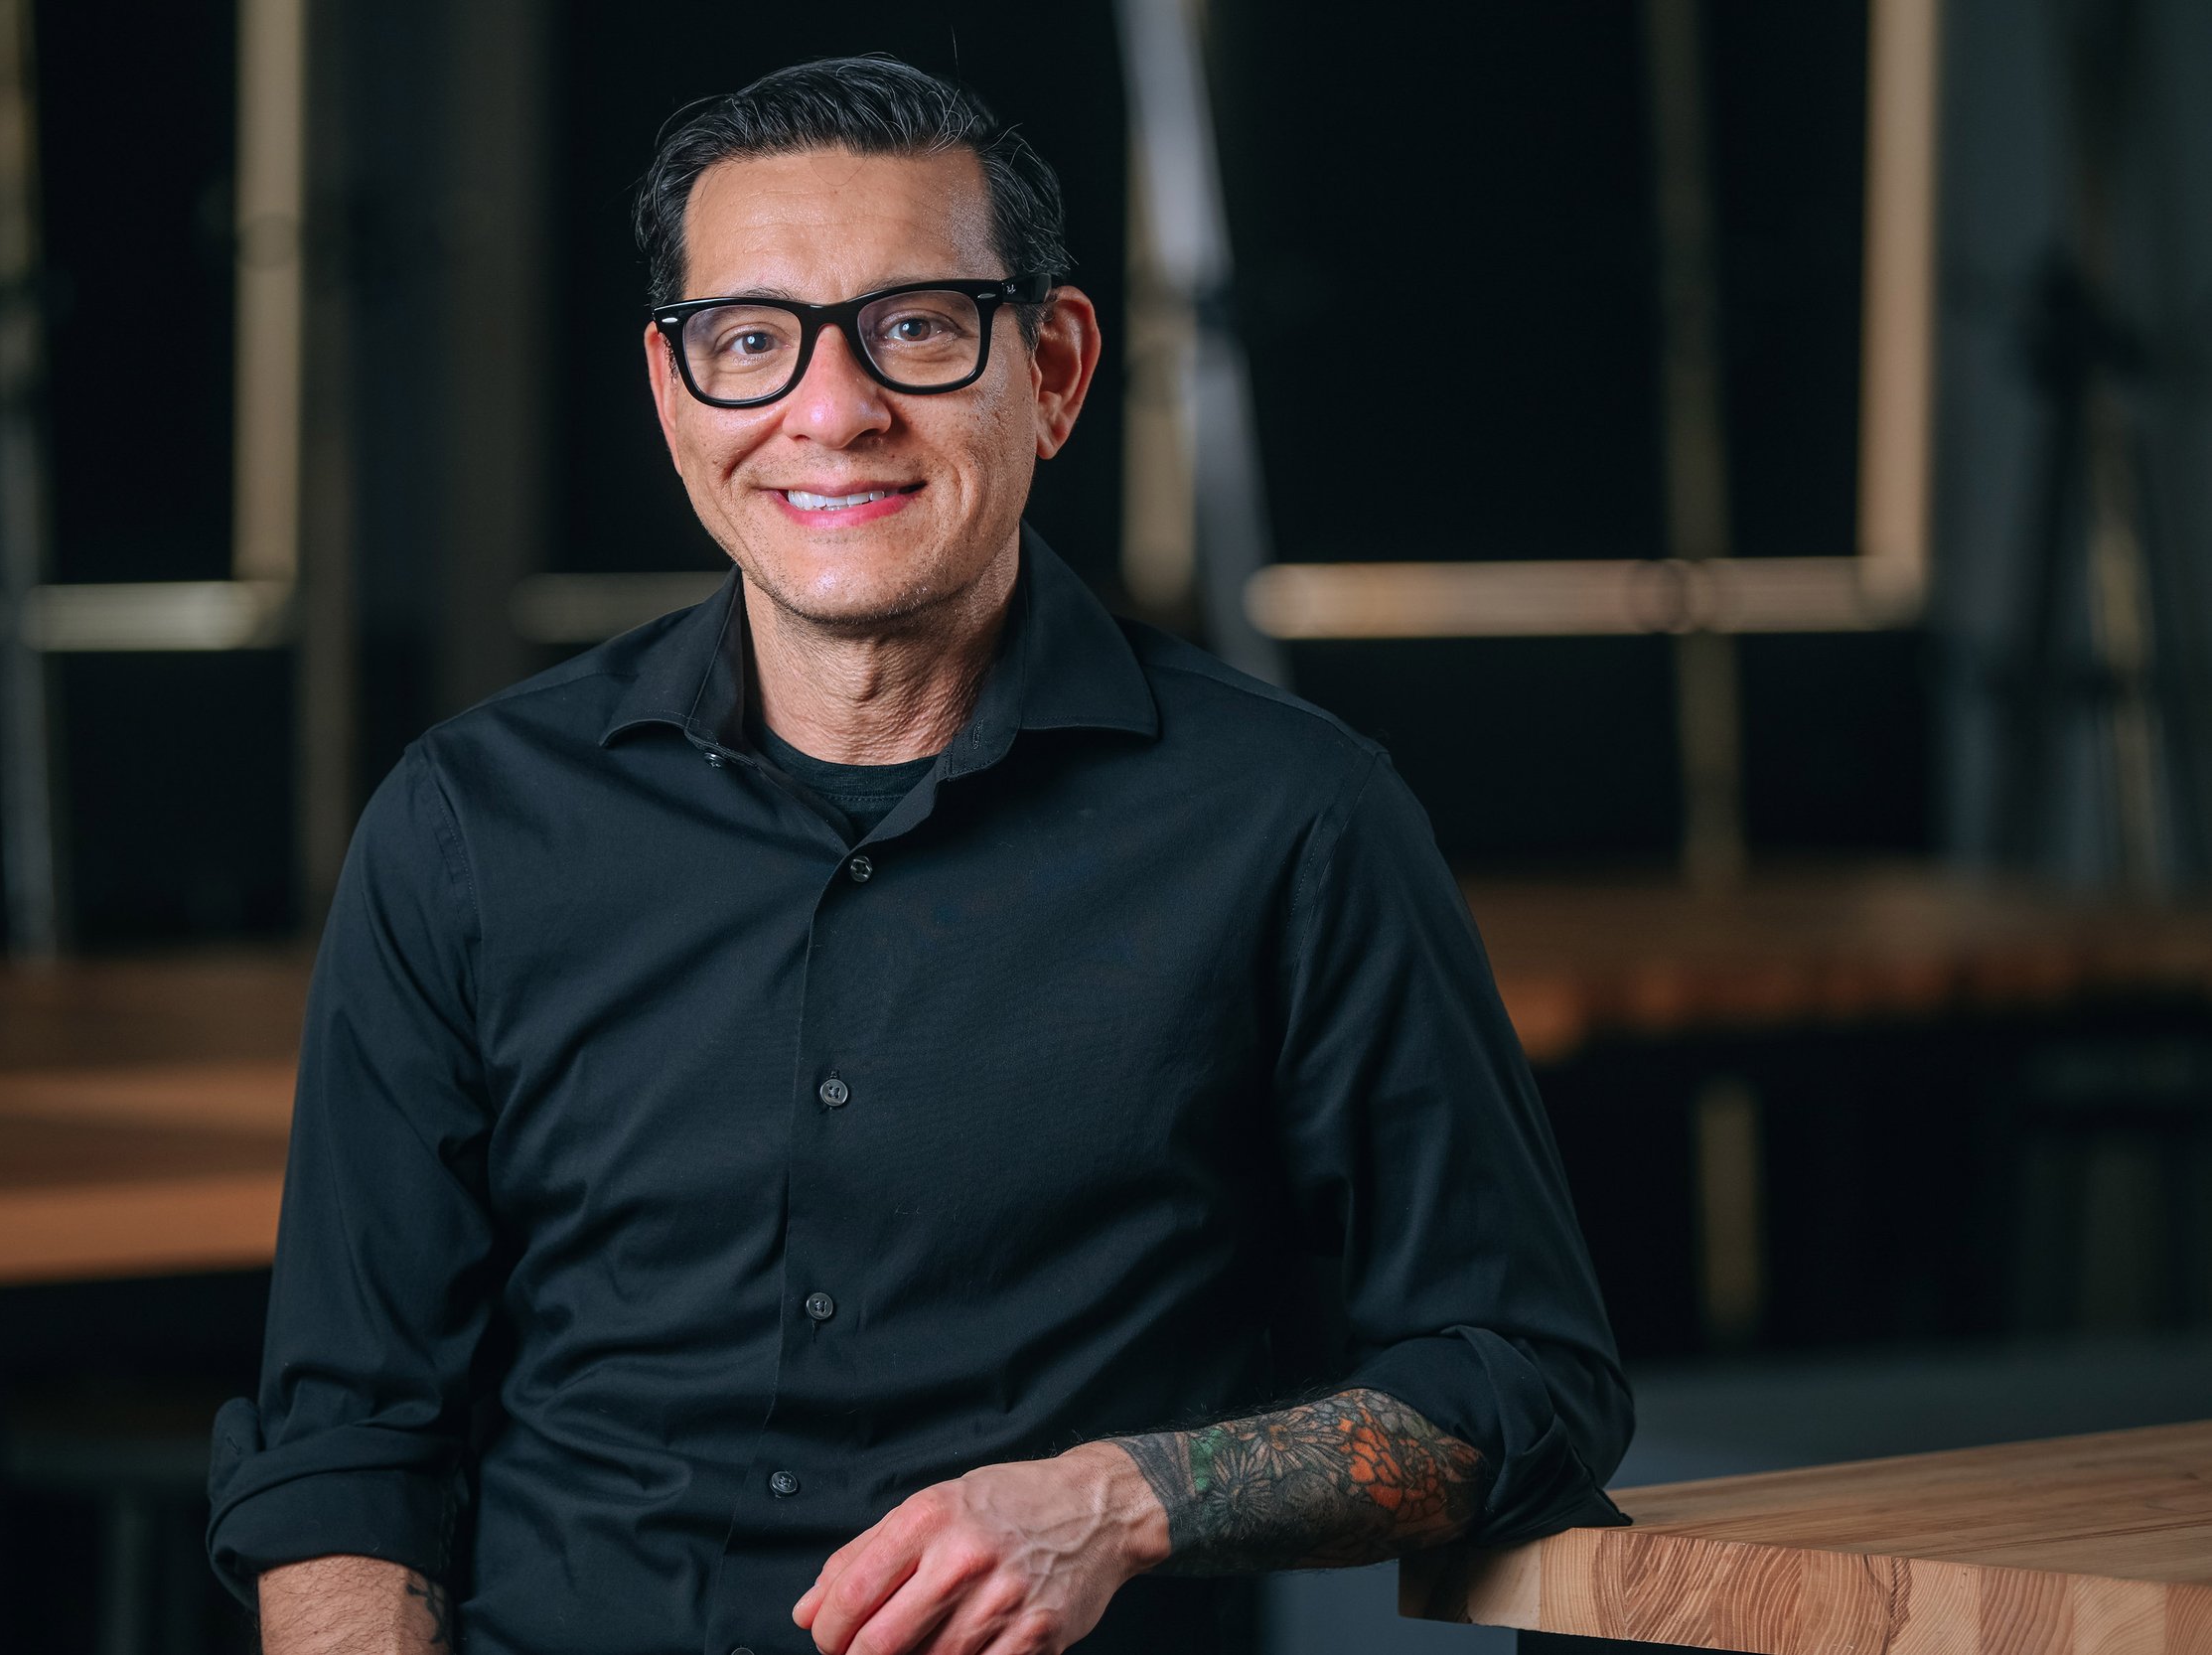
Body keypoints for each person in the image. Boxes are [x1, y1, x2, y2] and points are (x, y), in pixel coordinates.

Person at [207, 55, 1631, 1655]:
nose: (832, 411)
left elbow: (1523, 1379)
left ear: (1055, 370)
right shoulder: (467, 820)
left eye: (918, 327)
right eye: (753, 341)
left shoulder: (1296, 820)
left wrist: (1125, 1496)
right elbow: (347, 1445)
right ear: (675, 396)